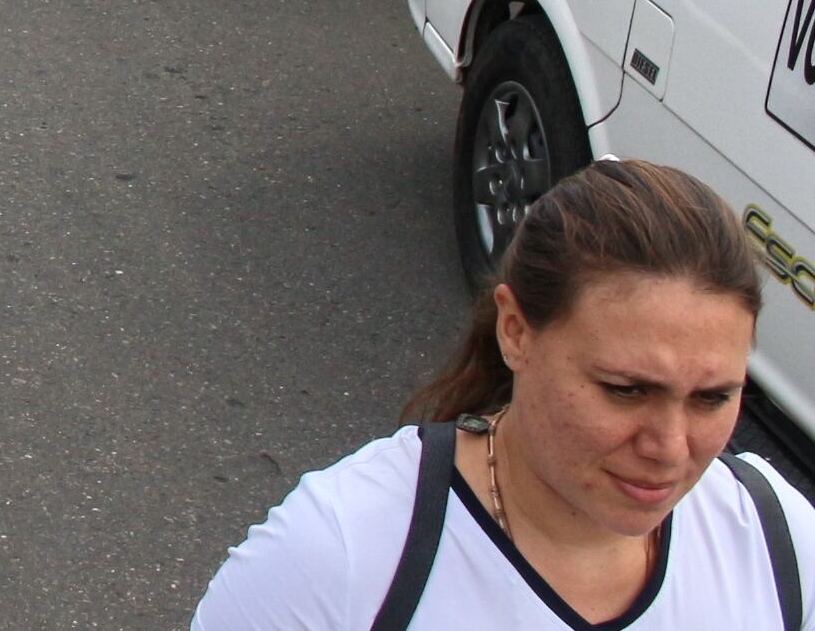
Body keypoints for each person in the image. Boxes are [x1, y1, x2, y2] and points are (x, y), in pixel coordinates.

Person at [194, 161, 813, 629]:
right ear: (515, 331)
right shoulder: (341, 558)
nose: (670, 448)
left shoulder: (776, 539)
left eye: (711, 398)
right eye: (625, 390)